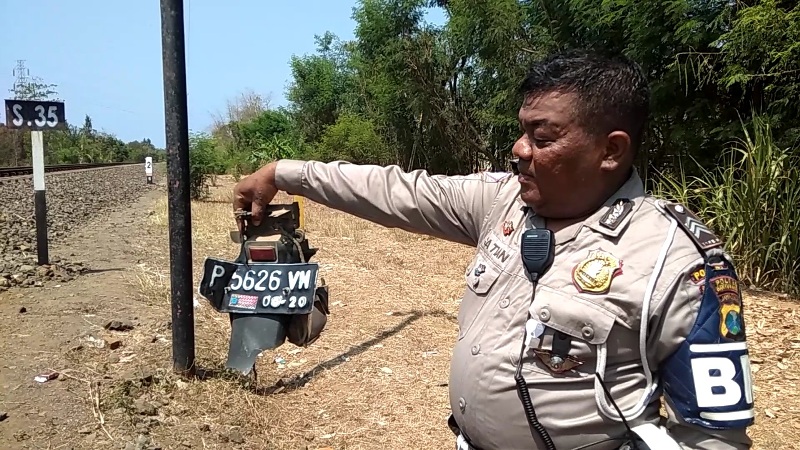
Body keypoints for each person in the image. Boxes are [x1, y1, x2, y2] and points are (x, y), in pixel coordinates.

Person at [232, 50, 755, 450]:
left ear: (611, 150)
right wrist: (284, 174)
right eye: (521, 131)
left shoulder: (678, 260)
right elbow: (393, 189)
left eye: (542, 137)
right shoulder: (502, 201)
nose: (519, 150)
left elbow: (713, 437)